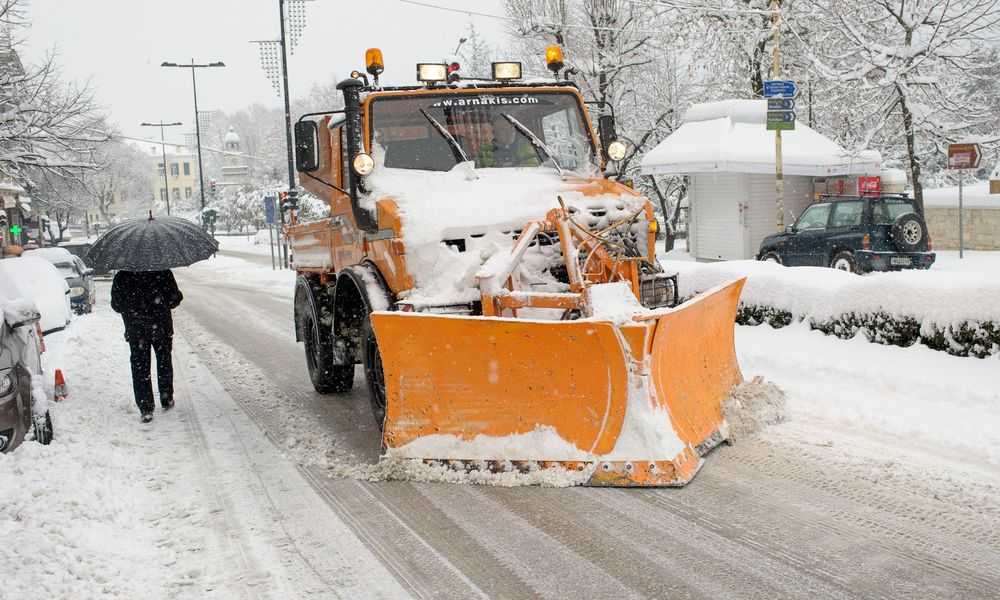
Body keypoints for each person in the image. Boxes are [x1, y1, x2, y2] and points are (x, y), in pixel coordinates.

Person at [111, 270, 183, 423]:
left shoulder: (122, 276)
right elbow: (174, 300)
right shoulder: (163, 272)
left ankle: (146, 407)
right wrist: (174, 296)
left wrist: (132, 306)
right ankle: (166, 397)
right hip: (161, 327)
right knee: (164, 362)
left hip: (137, 330)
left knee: (140, 368)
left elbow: (116, 305)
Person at [476, 114, 540, 168]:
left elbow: (532, 167)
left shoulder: (525, 146)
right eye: (503, 129)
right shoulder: (486, 151)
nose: (509, 132)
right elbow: (483, 172)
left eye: (511, 128)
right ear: (495, 133)